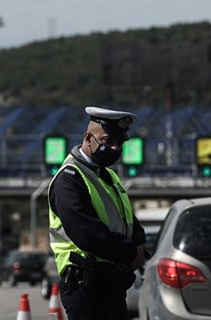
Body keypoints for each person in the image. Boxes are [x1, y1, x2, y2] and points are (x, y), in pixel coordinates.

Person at [48, 106, 147, 320]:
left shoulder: (109, 176)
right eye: (107, 141)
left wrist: (140, 248)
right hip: (86, 284)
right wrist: (130, 253)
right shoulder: (70, 178)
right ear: (88, 138)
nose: (114, 148)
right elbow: (87, 235)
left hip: (113, 283)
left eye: (119, 143)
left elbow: (127, 219)